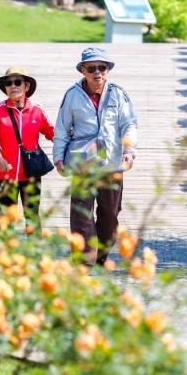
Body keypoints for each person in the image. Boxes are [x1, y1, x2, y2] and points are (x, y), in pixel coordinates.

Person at [53, 47, 137, 265]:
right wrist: (58, 157)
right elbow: (62, 128)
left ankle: (101, 258)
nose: (98, 72)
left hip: (112, 164)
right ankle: (84, 262)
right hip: (83, 164)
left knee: (110, 215)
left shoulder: (118, 94)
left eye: (102, 67)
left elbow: (129, 124)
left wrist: (129, 150)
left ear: (107, 70)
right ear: (83, 70)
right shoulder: (71, 95)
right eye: (92, 68)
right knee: (81, 214)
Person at [0, 66, 54, 232]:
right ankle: (6, 256)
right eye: (9, 83)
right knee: (6, 218)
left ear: (27, 86)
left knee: (32, 216)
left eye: (18, 82)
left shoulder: (37, 110)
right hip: (5, 174)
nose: (13, 86)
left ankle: (35, 254)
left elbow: (54, 133)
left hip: (31, 173)